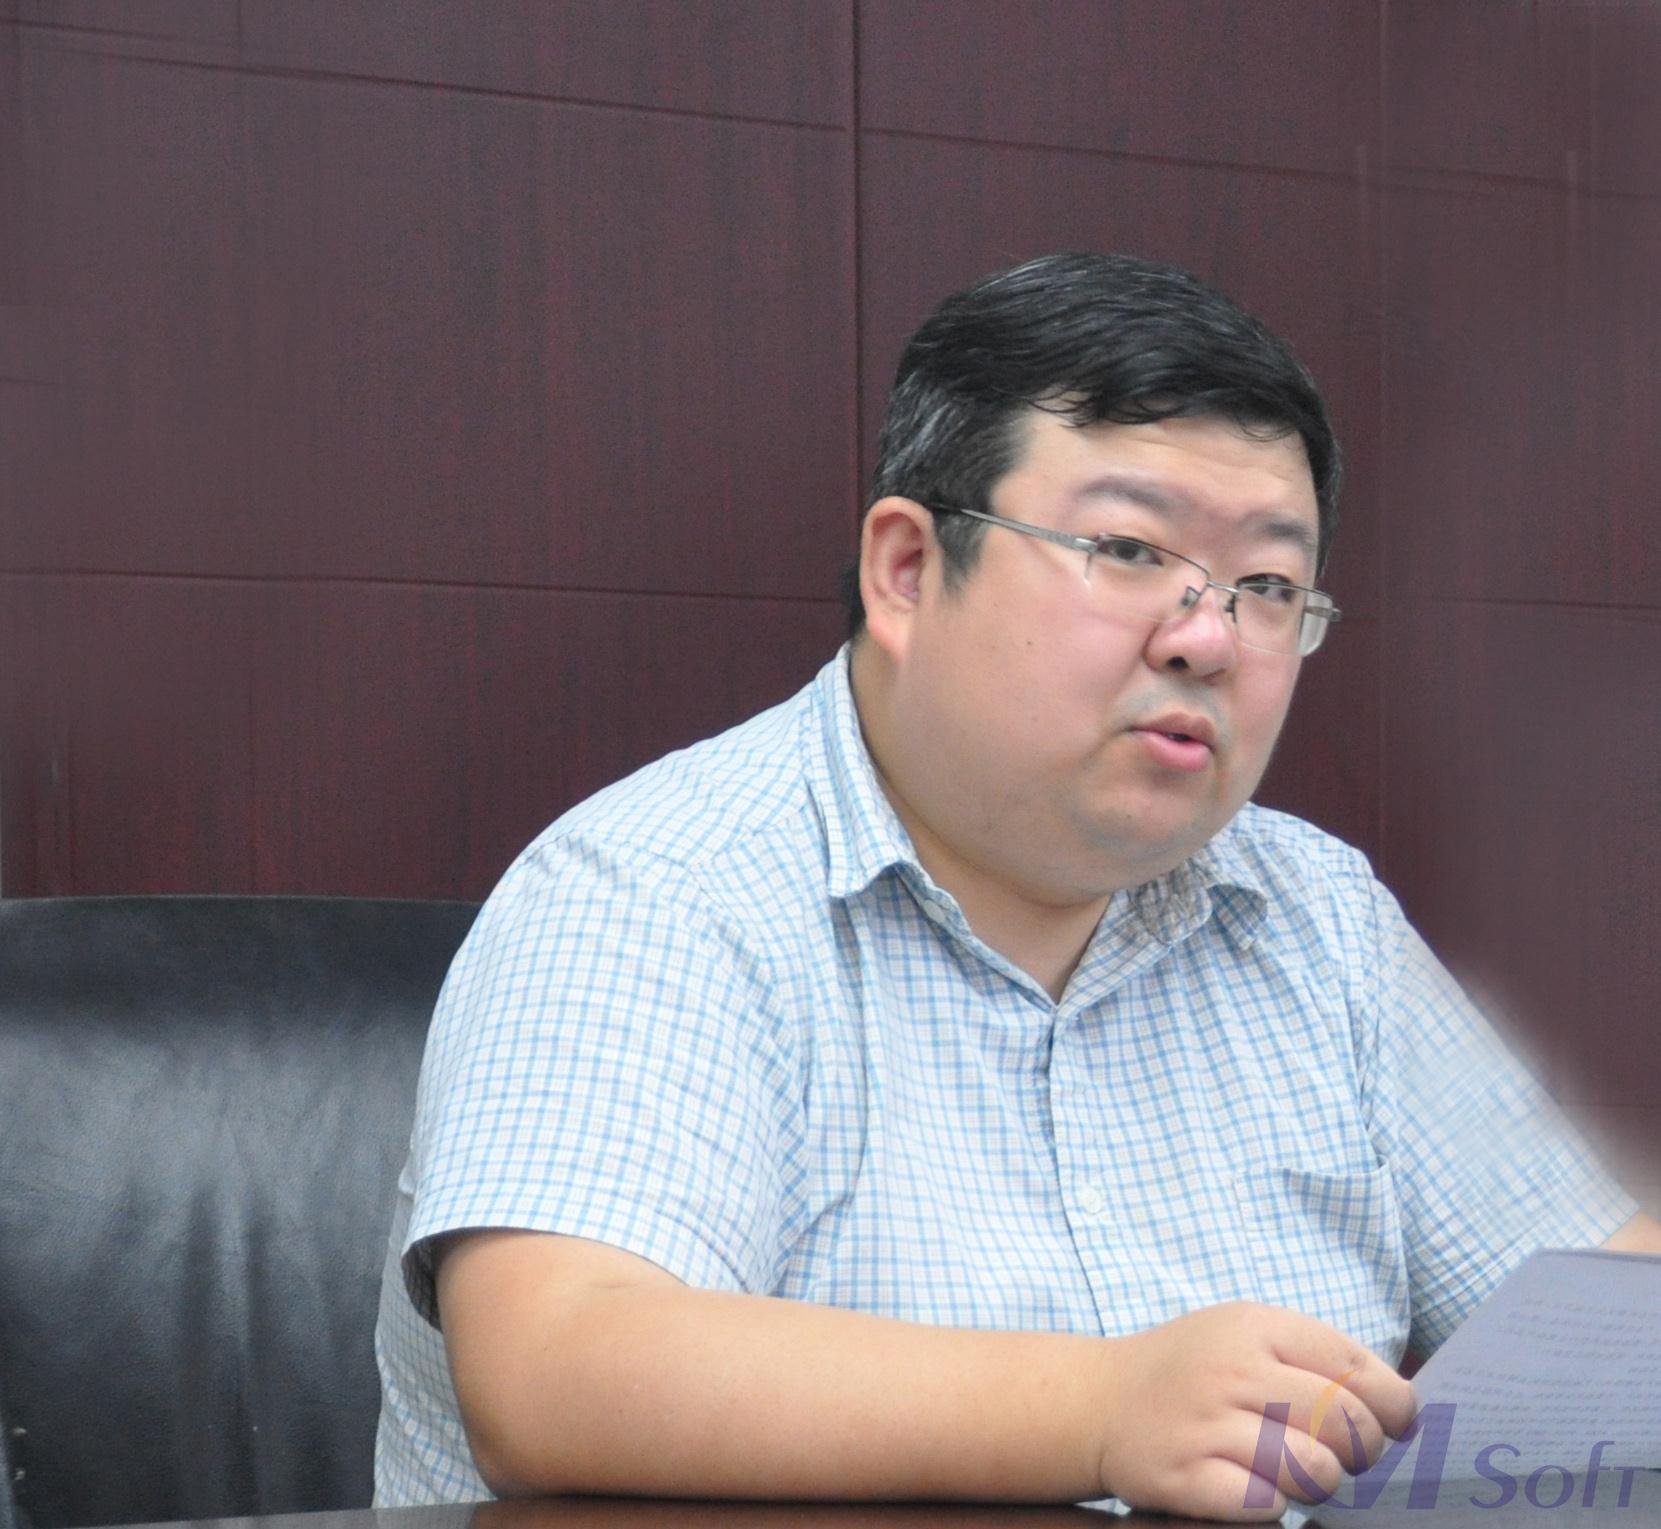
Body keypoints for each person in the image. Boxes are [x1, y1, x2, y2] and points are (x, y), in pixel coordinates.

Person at [373, 252, 1660, 1519]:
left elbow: (1601, 1314)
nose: (1205, 636)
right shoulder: (655, 888)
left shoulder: (1317, 915)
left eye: (1266, 585)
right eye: (1128, 548)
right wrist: (1100, 1408)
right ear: (907, 570)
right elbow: (555, 1368)